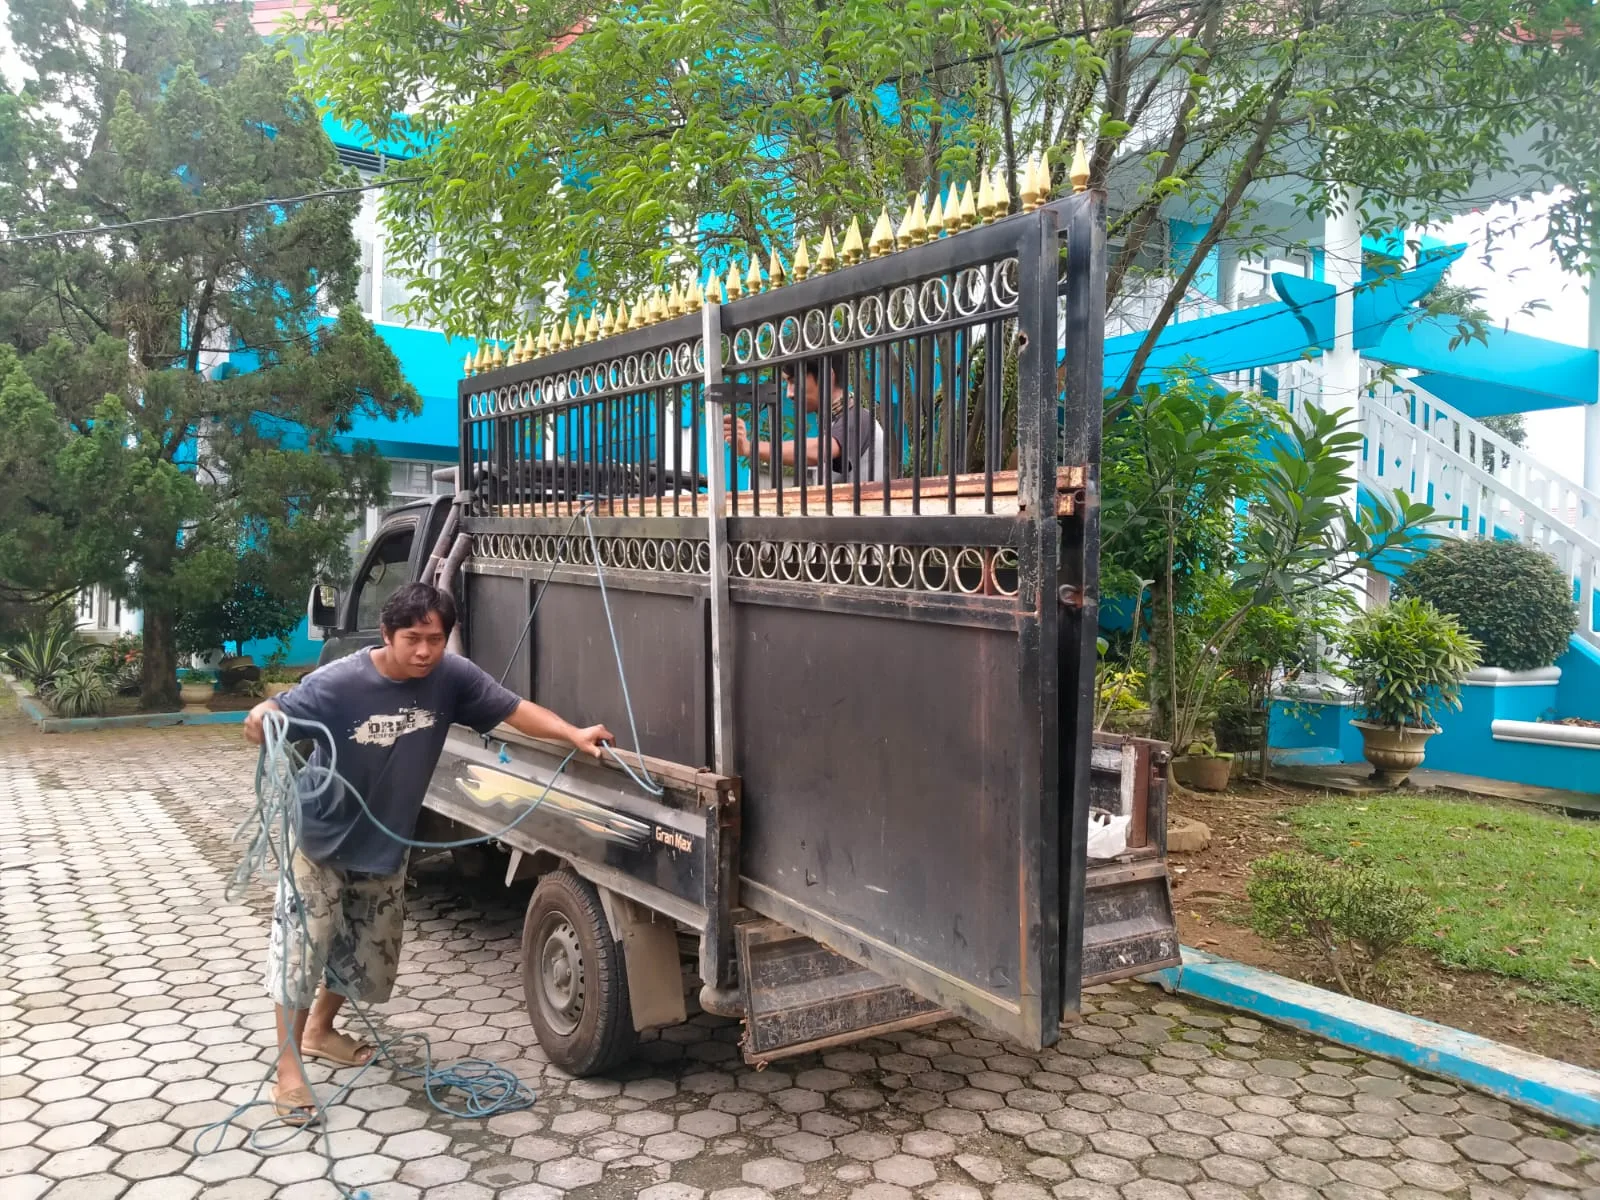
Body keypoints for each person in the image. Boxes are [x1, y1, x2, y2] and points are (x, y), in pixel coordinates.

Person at [243, 581, 612, 1126]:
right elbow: (271, 716)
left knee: (366, 957)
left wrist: (572, 733)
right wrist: (260, 715)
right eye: (412, 638)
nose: (424, 651)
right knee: (302, 954)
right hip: (318, 840)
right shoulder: (339, 682)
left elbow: (513, 710)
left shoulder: (451, 678)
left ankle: (321, 1031)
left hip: (386, 842)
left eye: (434, 640)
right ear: (388, 635)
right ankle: (289, 1073)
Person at [724, 353, 886, 484]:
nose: (789, 393)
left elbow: (818, 451)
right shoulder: (834, 421)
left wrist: (749, 447)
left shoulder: (858, 419)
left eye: (795, 382)